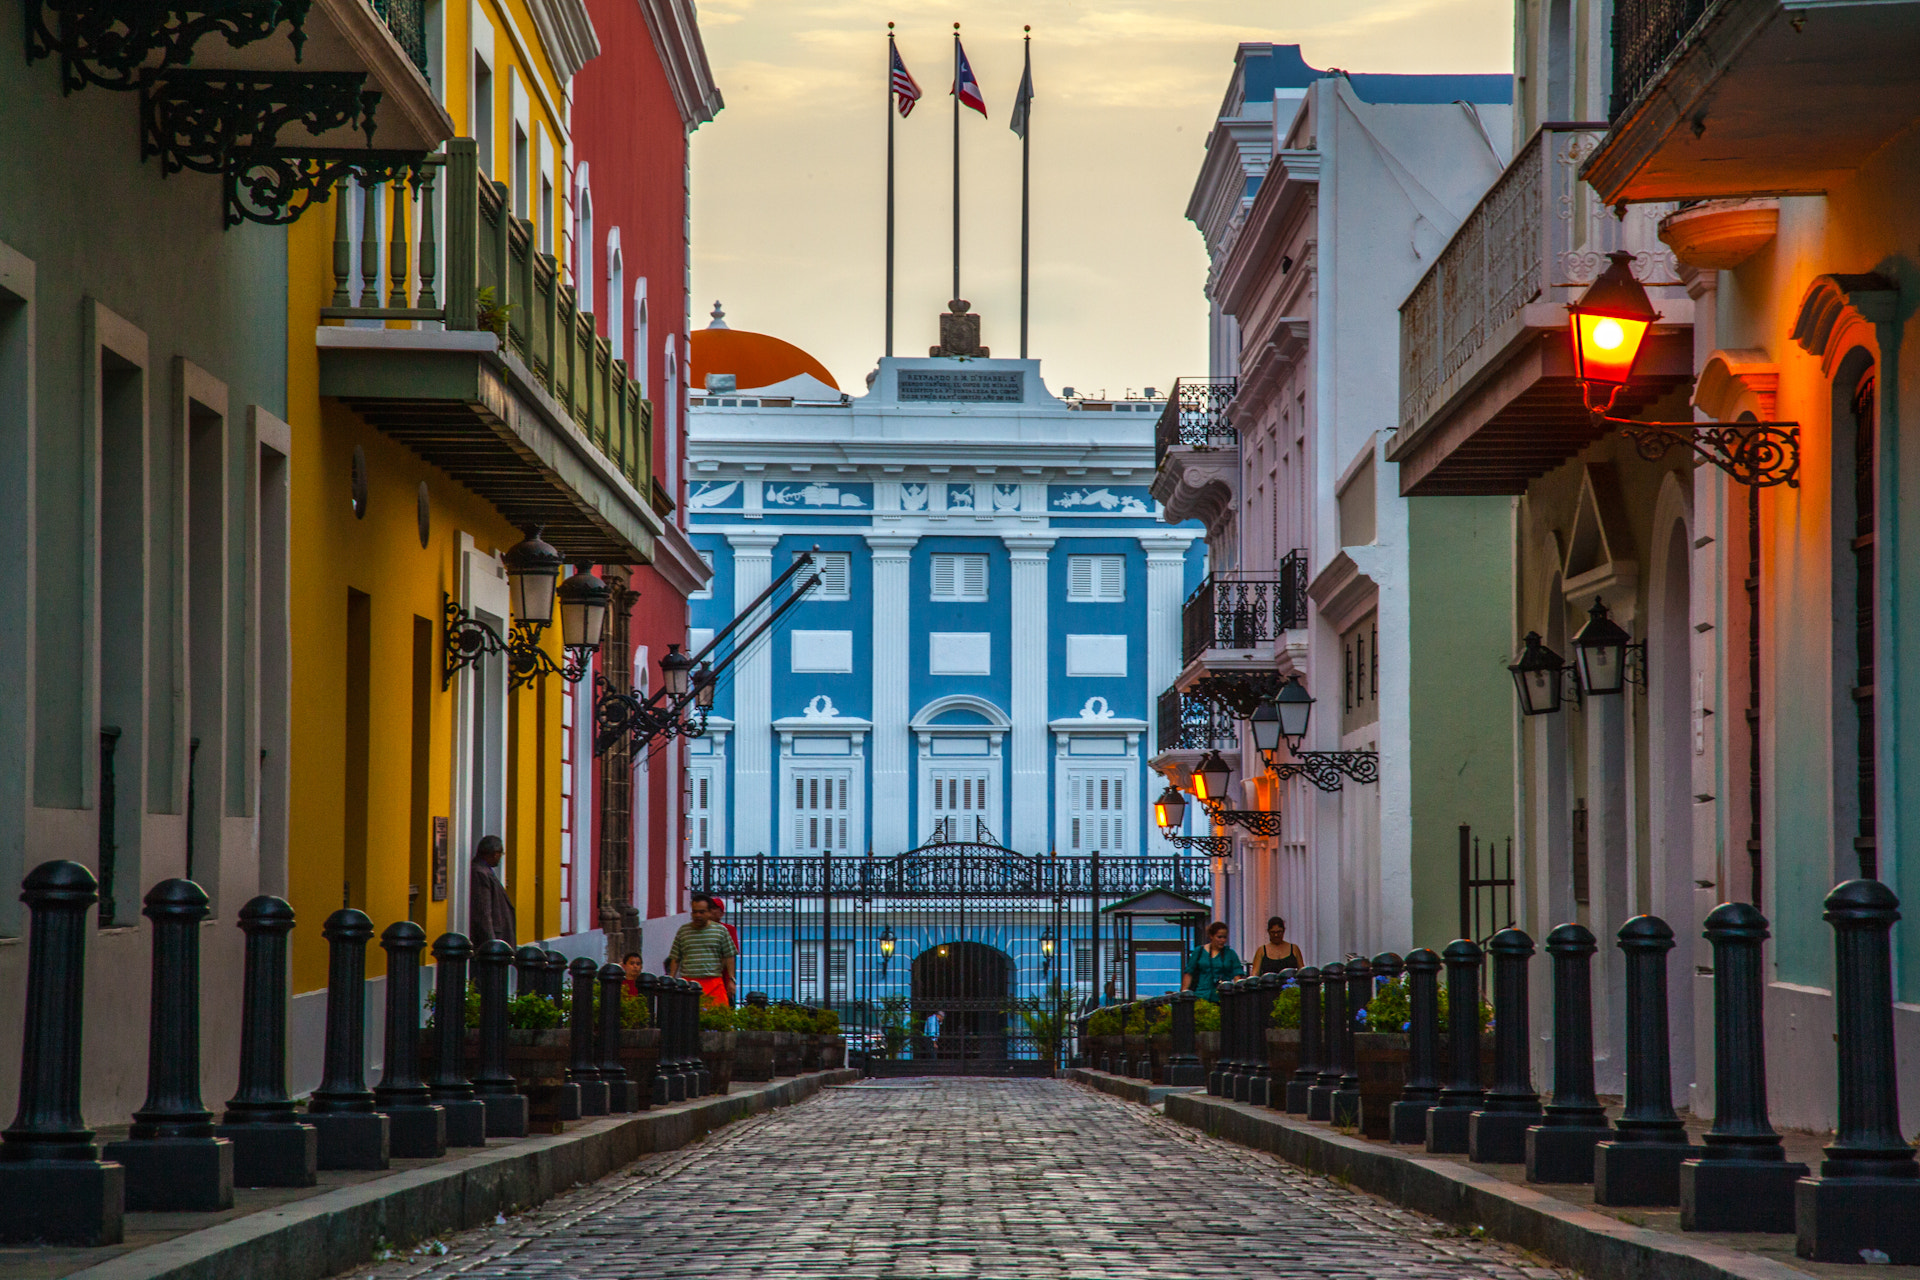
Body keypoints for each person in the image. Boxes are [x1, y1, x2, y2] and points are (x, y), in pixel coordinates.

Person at [665, 893, 737, 1007]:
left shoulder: (721, 931)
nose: (698, 915)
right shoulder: (683, 931)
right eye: (695, 912)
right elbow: (675, 957)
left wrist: (731, 980)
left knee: (717, 1020)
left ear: (709, 912)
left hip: (714, 984)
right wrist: (671, 979)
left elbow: (729, 955)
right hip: (688, 984)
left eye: (702, 912)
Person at [469, 835, 516, 948]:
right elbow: (483, 911)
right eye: (501, 854)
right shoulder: (480, 873)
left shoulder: (484, 871)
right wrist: (492, 943)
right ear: (495, 854)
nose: (500, 858)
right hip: (491, 941)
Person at [1181, 921, 1242, 1001]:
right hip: (1201, 995)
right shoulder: (1199, 952)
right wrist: (1184, 994)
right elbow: (1189, 973)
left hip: (1223, 997)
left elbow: (1237, 975)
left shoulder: (1230, 954)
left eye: (1225, 937)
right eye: (1219, 937)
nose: (1222, 940)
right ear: (1211, 936)